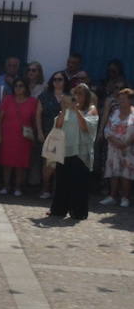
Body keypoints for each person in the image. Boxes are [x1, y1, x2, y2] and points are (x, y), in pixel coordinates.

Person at [48, 84, 99, 221]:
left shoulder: (91, 109)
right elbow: (58, 126)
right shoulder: (67, 109)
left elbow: (86, 127)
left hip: (81, 152)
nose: (77, 96)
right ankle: (58, 210)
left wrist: (76, 110)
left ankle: (78, 212)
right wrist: (65, 109)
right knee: (62, 181)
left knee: (78, 183)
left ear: (86, 96)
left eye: (81, 93)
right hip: (65, 149)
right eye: (75, 93)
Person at [0, 78, 40, 196]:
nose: (18, 88)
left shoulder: (33, 101)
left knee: (21, 163)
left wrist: (34, 135)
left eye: (21, 86)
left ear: (25, 88)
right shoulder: (7, 99)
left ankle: (18, 187)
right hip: (8, 135)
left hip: (24, 137)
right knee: (7, 162)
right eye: (16, 86)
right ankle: (6, 186)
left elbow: (35, 120)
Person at [100, 88, 134, 208]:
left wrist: (125, 143)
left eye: (123, 99)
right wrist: (115, 141)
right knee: (114, 172)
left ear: (130, 100)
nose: (121, 101)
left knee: (126, 173)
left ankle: (125, 198)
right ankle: (112, 196)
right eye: (119, 99)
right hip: (113, 147)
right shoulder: (114, 113)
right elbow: (107, 129)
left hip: (128, 149)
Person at [37, 72, 68, 200]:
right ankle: (45, 189)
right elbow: (38, 115)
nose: (57, 81)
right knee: (48, 164)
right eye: (55, 79)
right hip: (48, 133)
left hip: (65, 134)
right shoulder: (45, 96)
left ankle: (59, 191)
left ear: (65, 81)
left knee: (62, 164)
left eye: (60, 79)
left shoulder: (70, 97)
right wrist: (39, 132)